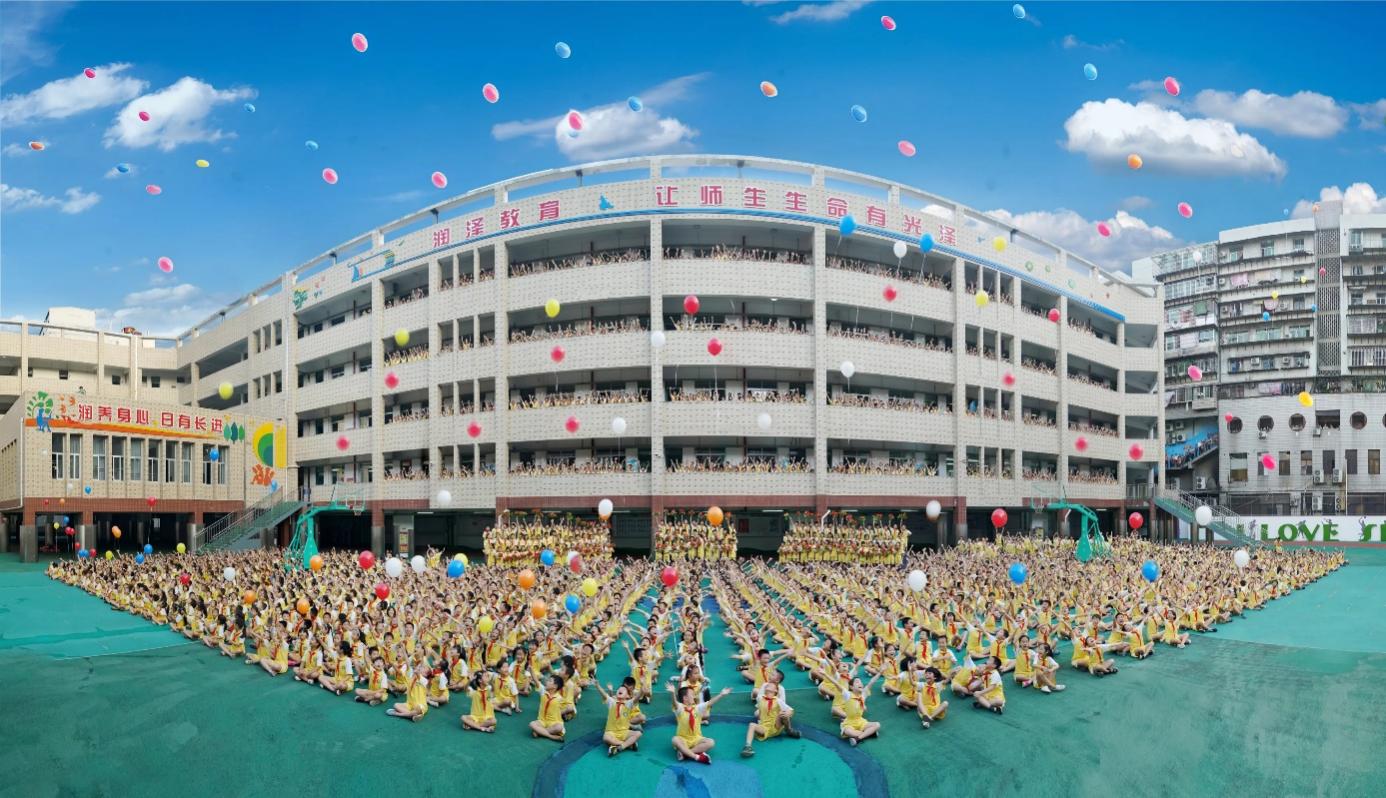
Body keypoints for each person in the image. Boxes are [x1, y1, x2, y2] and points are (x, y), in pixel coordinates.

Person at [670, 684, 732, 764]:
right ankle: (697, 757)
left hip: (696, 739)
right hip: (683, 739)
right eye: (692, 695)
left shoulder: (697, 708)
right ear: (685, 698)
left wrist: (721, 694)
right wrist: (672, 693)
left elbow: (710, 703)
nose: (694, 696)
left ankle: (685, 753)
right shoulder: (680, 708)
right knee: (675, 739)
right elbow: (675, 703)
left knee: (711, 742)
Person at [741, 679, 800, 757]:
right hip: (764, 728)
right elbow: (760, 714)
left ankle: (789, 731)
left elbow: (790, 710)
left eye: (771, 685)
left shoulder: (778, 700)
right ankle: (748, 747)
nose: (768, 685)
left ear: (775, 690)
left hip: (776, 726)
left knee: (782, 713)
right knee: (752, 725)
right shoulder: (760, 699)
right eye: (767, 685)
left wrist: (788, 713)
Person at [595, 681, 642, 756]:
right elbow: (604, 694)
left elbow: (637, 697)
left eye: (623, 690)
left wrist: (642, 688)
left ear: (627, 696)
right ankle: (628, 745)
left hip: (624, 732)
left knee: (638, 733)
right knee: (606, 738)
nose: (620, 690)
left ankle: (619, 747)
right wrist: (597, 685)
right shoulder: (612, 702)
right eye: (619, 689)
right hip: (611, 732)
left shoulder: (628, 704)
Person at [839, 674, 882, 746]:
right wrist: (825, 674)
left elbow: (871, 682)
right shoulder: (848, 695)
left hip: (860, 721)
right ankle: (870, 734)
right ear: (851, 687)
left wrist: (880, 672)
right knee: (848, 731)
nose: (860, 683)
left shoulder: (863, 695)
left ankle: (858, 739)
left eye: (861, 682)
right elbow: (837, 685)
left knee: (877, 725)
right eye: (857, 682)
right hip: (849, 723)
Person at [529, 675, 567, 741]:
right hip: (542, 721)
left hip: (553, 722)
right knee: (531, 724)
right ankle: (551, 736)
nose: (547, 681)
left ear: (555, 686)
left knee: (559, 727)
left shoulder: (560, 699)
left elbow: (565, 708)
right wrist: (531, 670)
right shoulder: (543, 692)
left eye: (550, 681)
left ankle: (539, 732)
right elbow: (536, 680)